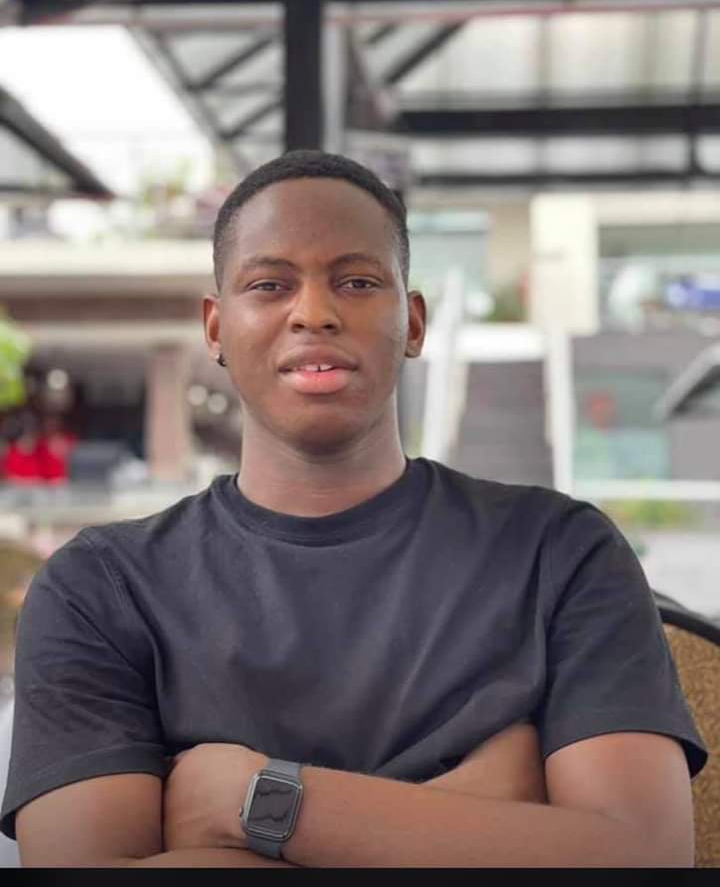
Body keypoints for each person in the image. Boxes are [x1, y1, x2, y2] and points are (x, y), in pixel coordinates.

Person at [0, 151, 707, 868]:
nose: (314, 312)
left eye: (357, 281)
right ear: (215, 329)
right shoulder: (100, 588)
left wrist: (252, 802)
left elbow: (644, 858)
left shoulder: (559, 553)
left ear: (414, 323)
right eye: (270, 285)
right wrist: (482, 810)